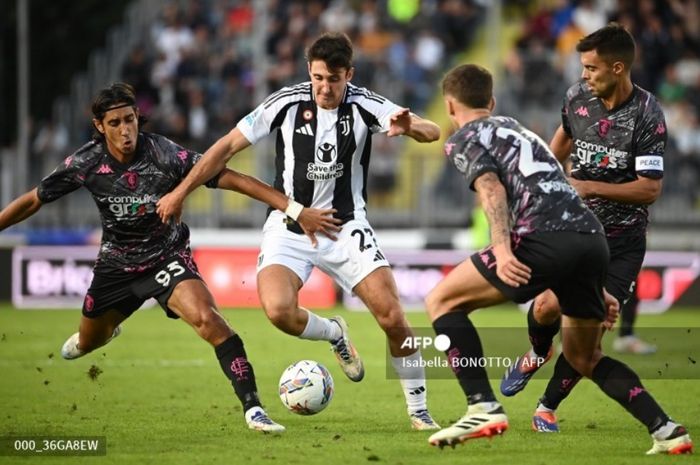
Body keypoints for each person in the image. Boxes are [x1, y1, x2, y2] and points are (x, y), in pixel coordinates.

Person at [0, 82, 343, 434]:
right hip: (116, 265)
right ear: (100, 126)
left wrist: (291, 207)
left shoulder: (162, 153)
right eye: (115, 123)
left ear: (138, 118)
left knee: (212, 323)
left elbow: (228, 177)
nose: (125, 130)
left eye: (130, 119)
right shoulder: (86, 162)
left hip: (167, 257)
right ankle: (106, 330)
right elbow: (34, 199)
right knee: (87, 343)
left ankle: (253, 409)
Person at [156, 32, 442, 430]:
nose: (325, 87)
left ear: (349, 75)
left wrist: (410, 126)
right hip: (290, 225)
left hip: (346, 226)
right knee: (277, 311)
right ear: (309, 71)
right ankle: (334, 333)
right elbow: (224, 148)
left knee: (393, 317)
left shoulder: (365, 105)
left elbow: (432, 132)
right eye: (319, 78)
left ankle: (419, 411)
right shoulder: (285, 103)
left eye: (335, 79)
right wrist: (181, 191)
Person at [425, 63, 692, 455]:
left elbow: (491, 190)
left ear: (450, 106)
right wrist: (597, 283)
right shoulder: (517, 128)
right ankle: (667, 429)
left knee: (442, 301)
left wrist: (501, 249)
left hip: (544, 236)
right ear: (492, 102)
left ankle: (482, 406)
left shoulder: (465, 136)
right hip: (591, 238)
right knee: (585, 356)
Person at [500, 24, 665, 434]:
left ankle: (546, 406)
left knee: (587, 341)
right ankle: (538, 351)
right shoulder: (577, 98)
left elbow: (650, 189)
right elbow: (559, 147)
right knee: (544, 308)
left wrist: (587, 185)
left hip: (622, 244)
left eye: (592, 68)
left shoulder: (647, 114)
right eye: (583, 67)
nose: (584, 75)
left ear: (618, 67)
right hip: (575, 234)